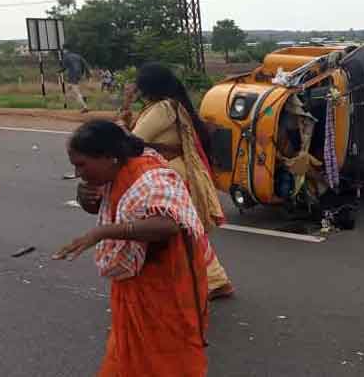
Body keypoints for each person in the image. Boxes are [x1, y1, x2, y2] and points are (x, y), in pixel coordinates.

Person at [53, 120, 208, 376]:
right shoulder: (113, 172)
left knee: (167, 359)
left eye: (81, 165)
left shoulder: (151, 177)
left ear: (108, 157)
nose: (78, 173)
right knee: (129, 355)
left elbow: (167, 224)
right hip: (133, 284)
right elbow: (107, 206)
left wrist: (102, 232)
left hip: (166, 284)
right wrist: (85, 198)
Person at [119, 62, 234, 300]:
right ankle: (214, 279)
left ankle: (212, 281)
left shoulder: (163, 108)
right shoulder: (162, 106)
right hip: (169, 174)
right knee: (186, 230)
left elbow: (133, 141)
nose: (135, 86)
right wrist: (127, 106)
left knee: (182, 231)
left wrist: (126, 105)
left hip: (171, 176)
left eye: (138, 83)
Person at [58, 45, 92, 113]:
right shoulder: (77, 56)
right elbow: (85, 64)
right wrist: (87, 74)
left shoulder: (66, 57)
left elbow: (64, 68)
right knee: (69, 87)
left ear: (65, 51)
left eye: (63, 51)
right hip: (78, 74)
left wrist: (59, 71)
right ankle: (68, 102)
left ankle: (84, 106)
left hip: (72, 74)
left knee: (75, 91)